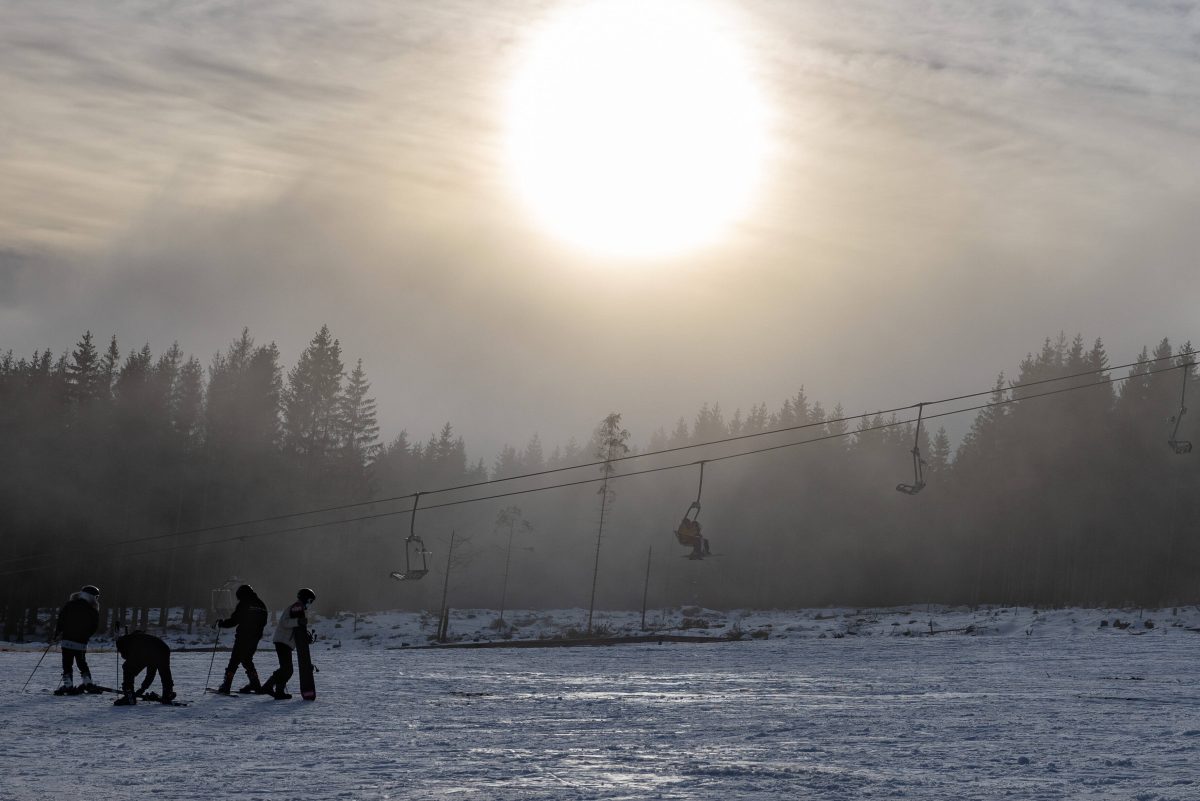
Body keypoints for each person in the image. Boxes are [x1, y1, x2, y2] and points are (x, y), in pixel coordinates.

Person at [260, 588, 315, 700]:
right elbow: (285, 623)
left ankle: (279, 691)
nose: (310, 604)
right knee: (287, 669)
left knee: (286, 669)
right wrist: (298, 622)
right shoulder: (294, 608)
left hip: (285, 642)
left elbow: (296, 630)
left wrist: (305, 638)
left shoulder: (298, 609)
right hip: (282, 641)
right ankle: (268, 686)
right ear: (305, 599)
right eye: (309, 601)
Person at [213, 584, 269, 694]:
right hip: (255, 637)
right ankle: (255, 684)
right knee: (247, 659)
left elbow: (235, 620)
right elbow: (264, 622)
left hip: (243, 636)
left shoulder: (244, 603)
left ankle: (226, 685)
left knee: (234, 660)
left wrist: (222, 624)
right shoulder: (261, 604)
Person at [54, 585, 100, 694]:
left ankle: (68, 686)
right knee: (82, 663)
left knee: (67, 663)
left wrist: (56, 634)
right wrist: (86, 635)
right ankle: (88, 683)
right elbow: (94, 626)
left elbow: (61, 620)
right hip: (81, 641)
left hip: (67, 640)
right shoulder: (92, 609)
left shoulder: (70, 605)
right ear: (92, 597)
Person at [113, 630, 175, 705]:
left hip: (158, 648)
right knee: (164, 672)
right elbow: (151, 672)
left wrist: (142, 689)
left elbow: (150, 672)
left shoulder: (132, 645)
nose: (121, 655)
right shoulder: (136, 642)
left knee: (127, 668)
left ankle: (129, 697)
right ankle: (167, 693)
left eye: (120, 652)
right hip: (163, 648)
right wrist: (143, 689)